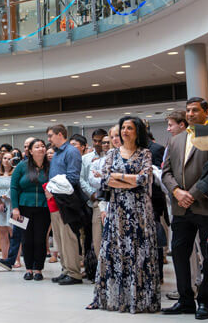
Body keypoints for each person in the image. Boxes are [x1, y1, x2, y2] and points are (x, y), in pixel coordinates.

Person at [87, 117, 160, 313]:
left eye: (130, 128)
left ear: (138, 132)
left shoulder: (145, 153)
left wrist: (118, 177)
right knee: (116, 251)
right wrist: (129, 180)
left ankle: (139, 299)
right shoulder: (111, 153)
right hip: (118, 208)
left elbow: (144, 179)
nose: (125, 131)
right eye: (123, 128)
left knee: (138, 252)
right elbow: (105, 180)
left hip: (139, 210)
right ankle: (116, 298)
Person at [161, 97, 208, 319]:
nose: (191, 114)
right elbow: (165, 171)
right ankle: (185, 300)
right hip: (180, 209)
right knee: (179, 254)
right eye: (188, 110)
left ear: (206, 111)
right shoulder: (176, 140)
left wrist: (192, 194)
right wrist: (176, 192)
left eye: (195, 110)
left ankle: (206, 302)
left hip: (204, 205)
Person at [46, 124, 84, 285]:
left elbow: (73, 177)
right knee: (59, 238)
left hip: (67, 200)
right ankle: (65, 269)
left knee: (69, 238)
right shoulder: (57, 153)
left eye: (50, 136)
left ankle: (74, 273)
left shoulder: (71, 151)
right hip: (55, 200)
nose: (49, 139)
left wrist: (52, 188)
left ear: (60, 134)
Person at [10, 138, 50, 280]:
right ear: (30, 151)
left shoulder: (50, 166)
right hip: (23, 207)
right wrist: (15, 208)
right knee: (26, 239)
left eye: (43, 146)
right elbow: (14, 187)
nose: (41, 148)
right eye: (37, 147)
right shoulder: (22, 166)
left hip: (44, 208)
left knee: (40, 239)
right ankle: (28, 269)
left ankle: (38, 269)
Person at [80, 128, 109, 267]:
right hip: (89, 200)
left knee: (104, 236)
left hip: (105, 201)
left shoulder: (110, 158)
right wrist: (91, 193)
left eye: (101, 141)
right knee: (88, 236)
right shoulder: (85, 159)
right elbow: (81, 179)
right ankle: (89, 267)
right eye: (95, 141)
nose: (98, 144)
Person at [0, 151, 14, 266]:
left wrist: (6, 196)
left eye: (9, 158)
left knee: (13, 232)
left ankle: (15, 259)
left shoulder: (15, 173)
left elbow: (15, 188)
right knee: (2, 231)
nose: (6, 160)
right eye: (4, 158)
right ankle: (4, 258)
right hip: (0, 206)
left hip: (11, 205)